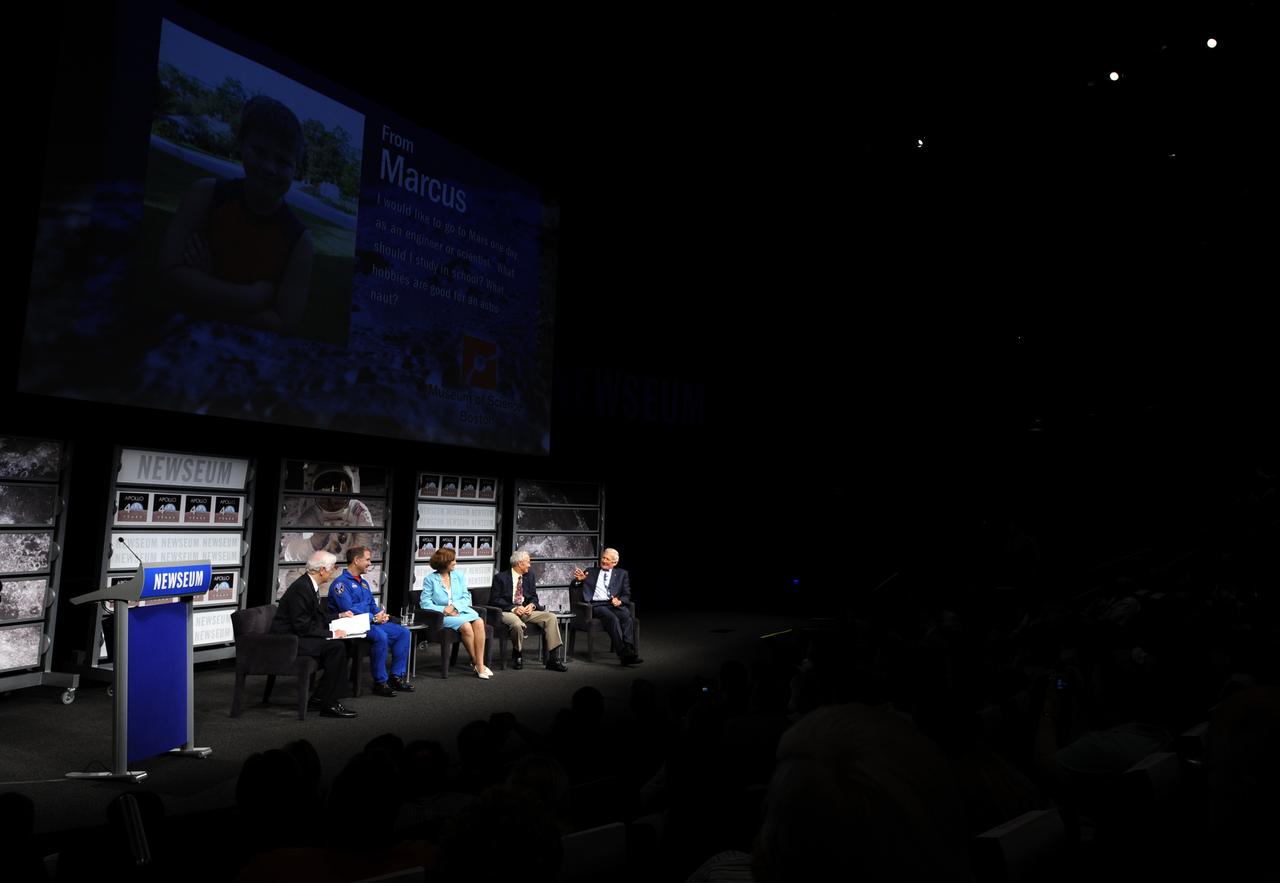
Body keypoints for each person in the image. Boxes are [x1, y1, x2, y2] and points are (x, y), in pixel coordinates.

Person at [158, 95, 314, 333]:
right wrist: (252, 298)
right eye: (260, 152)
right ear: (241, 144)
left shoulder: (299, 240)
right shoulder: (205, 195)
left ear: (296, 169)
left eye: (283, 162)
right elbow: (168, 276)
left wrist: (203, 286)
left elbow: (285, 323)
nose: (269, 168)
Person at [270, 550, 356, 718]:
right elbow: (302, 627)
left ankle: (320, 697)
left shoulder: (309, 585)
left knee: (345, 643)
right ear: (322, 570)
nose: (332, 572)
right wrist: (331, 633)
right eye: (332, 568)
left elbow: (316, 617)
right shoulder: (301, 589)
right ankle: (329, 704)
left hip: (299, 635)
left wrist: (338, 616)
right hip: (289, 641)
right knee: (335, 647)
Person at [326, 545, 414, 697]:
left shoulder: (364, 583)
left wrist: (380, 614)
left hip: (370, 622)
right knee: (381, 636)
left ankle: (396, 677)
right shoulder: (340, 584)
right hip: (352, 626)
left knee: (403, 633)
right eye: (367, 559)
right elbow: (349, 611)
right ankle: (380, 682)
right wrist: (373, 618)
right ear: (356, 560)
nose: (370, 563)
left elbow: (371, 605)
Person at [421, 547, 493, 679]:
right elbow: (425, 603)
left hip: (461, 611)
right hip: (442, 616)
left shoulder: (458, 576)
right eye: (453, 560)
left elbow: (466, 597)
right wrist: (444, 610)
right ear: (445, 562)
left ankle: (479, 664)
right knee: (465, 625)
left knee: (479, 621)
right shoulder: (430, 579)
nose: (455, 562)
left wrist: (454, 607)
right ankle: (478, 664)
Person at [491, 551, 568, 672]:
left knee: (551, 617)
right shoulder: (500, 578)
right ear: (519, 564)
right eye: (528, 562)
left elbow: (533, 596)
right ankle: (518, 654)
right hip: (508, 611)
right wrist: (514, 608)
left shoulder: (529, 576)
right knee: (516, 624)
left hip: (526, 611)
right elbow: (495, 600)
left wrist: (532, 605)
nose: (529, 565)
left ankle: (553, 659)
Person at [571, 547, 641, 665]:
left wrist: (620, 601)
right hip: (597, 605)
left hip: (613, 604)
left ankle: (628, 649)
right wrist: (579, 580)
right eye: (603, 557)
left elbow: (626, 594)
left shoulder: (622, 574)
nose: (603, 560)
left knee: (627, 617)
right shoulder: (590, 571)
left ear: (614, 562)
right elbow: (574, 585)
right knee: (612, 619)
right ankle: (623, 653)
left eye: (607, 559)